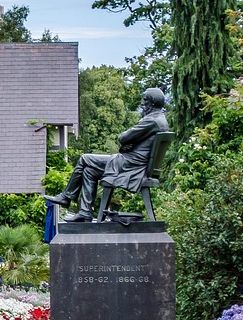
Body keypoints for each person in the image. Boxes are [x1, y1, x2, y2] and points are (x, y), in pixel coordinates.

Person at [45, 87, 170, 222]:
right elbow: (134, 141)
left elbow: (123, 137)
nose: (142, 104)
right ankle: (84, 212)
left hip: (130, 165)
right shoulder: (160, 120)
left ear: (151, 103)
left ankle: (66, 197)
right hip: (134, 162)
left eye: (145, 100)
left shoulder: (151, 120)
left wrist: (128, 142)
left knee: (84, 158)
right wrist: (129, 145)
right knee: (89, 171)